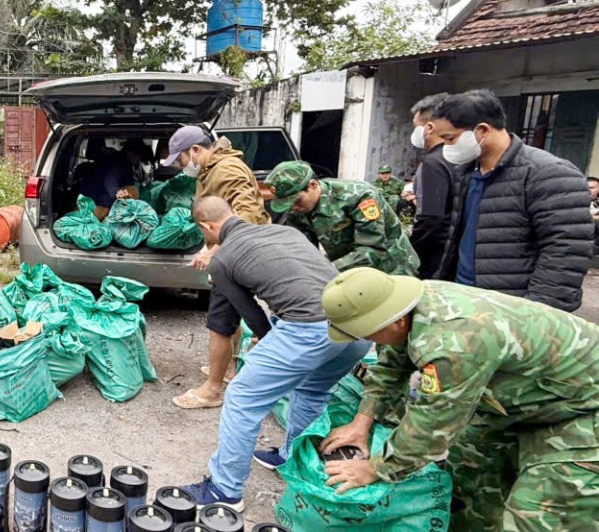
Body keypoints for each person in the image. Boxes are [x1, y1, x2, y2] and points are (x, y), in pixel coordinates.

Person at [317, 267, 599, 532]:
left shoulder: (453, 340)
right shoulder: (405, 304)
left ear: (393, 320)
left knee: (542, 519)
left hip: (584, 409)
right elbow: (393, 360)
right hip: (523, 396)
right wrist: (363, 419)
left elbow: (429, 431)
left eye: (367, 333)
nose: (365, 341)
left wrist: (374, 469)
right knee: (471, 460)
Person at [178, 196, 370, 508]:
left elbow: (250, 314)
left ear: (207, 227)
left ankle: (224, 492)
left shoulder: (222, 260)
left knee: (242, 397)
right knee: (311, 388)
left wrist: (269, 339)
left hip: (311, 327)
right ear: (236, 212)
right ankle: (291, 458)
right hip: (360, 323)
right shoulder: (287, 233)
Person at [430, 89, 592, 311]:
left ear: (482, 130)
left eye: (450, 138)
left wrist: (533, 315)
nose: (446, 147)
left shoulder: (548, 174)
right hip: (468, 301)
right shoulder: (466, 173)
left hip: (514, 310)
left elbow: (565, 253)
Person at [162, 125, 272, 412]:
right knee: (231, 315)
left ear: (196, 150)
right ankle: (228, 369)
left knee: (220, 322)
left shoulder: (228, 170)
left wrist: (215, 250)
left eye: (181, 159)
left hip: (237, 257)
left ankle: (212, 390)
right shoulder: (214, 168)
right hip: (233, 254)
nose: (180, 166)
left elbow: (246, 216)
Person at [266, 160, 420, 276]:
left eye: (296, 201)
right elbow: (302, 248)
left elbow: (373, 249)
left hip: (392, 268)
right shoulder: (299, 209)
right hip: (348, 271)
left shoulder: (358, 196)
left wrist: (326, 269)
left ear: (313, 185)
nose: (293, 208)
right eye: (287, 204)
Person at [408, 93, 458, 278]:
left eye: (416, 127)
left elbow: (430, 218)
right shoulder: (459, 157)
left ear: (429, 127)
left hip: (435, 256)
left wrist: (412, 251)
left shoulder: (434, 163)